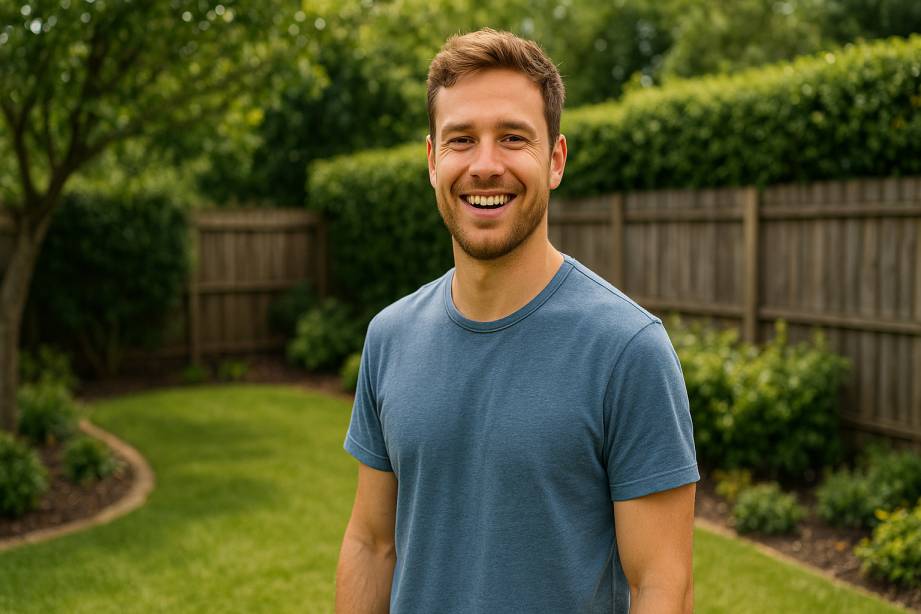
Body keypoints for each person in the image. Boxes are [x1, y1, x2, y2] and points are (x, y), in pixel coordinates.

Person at [335, 28, 698, 614]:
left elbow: (662, 584)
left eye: (512, 138)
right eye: (461, 140)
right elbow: (371, 544)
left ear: (555, 160)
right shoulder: (389, 336)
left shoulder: (628, 350)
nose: (485, 165)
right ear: (432, 161)